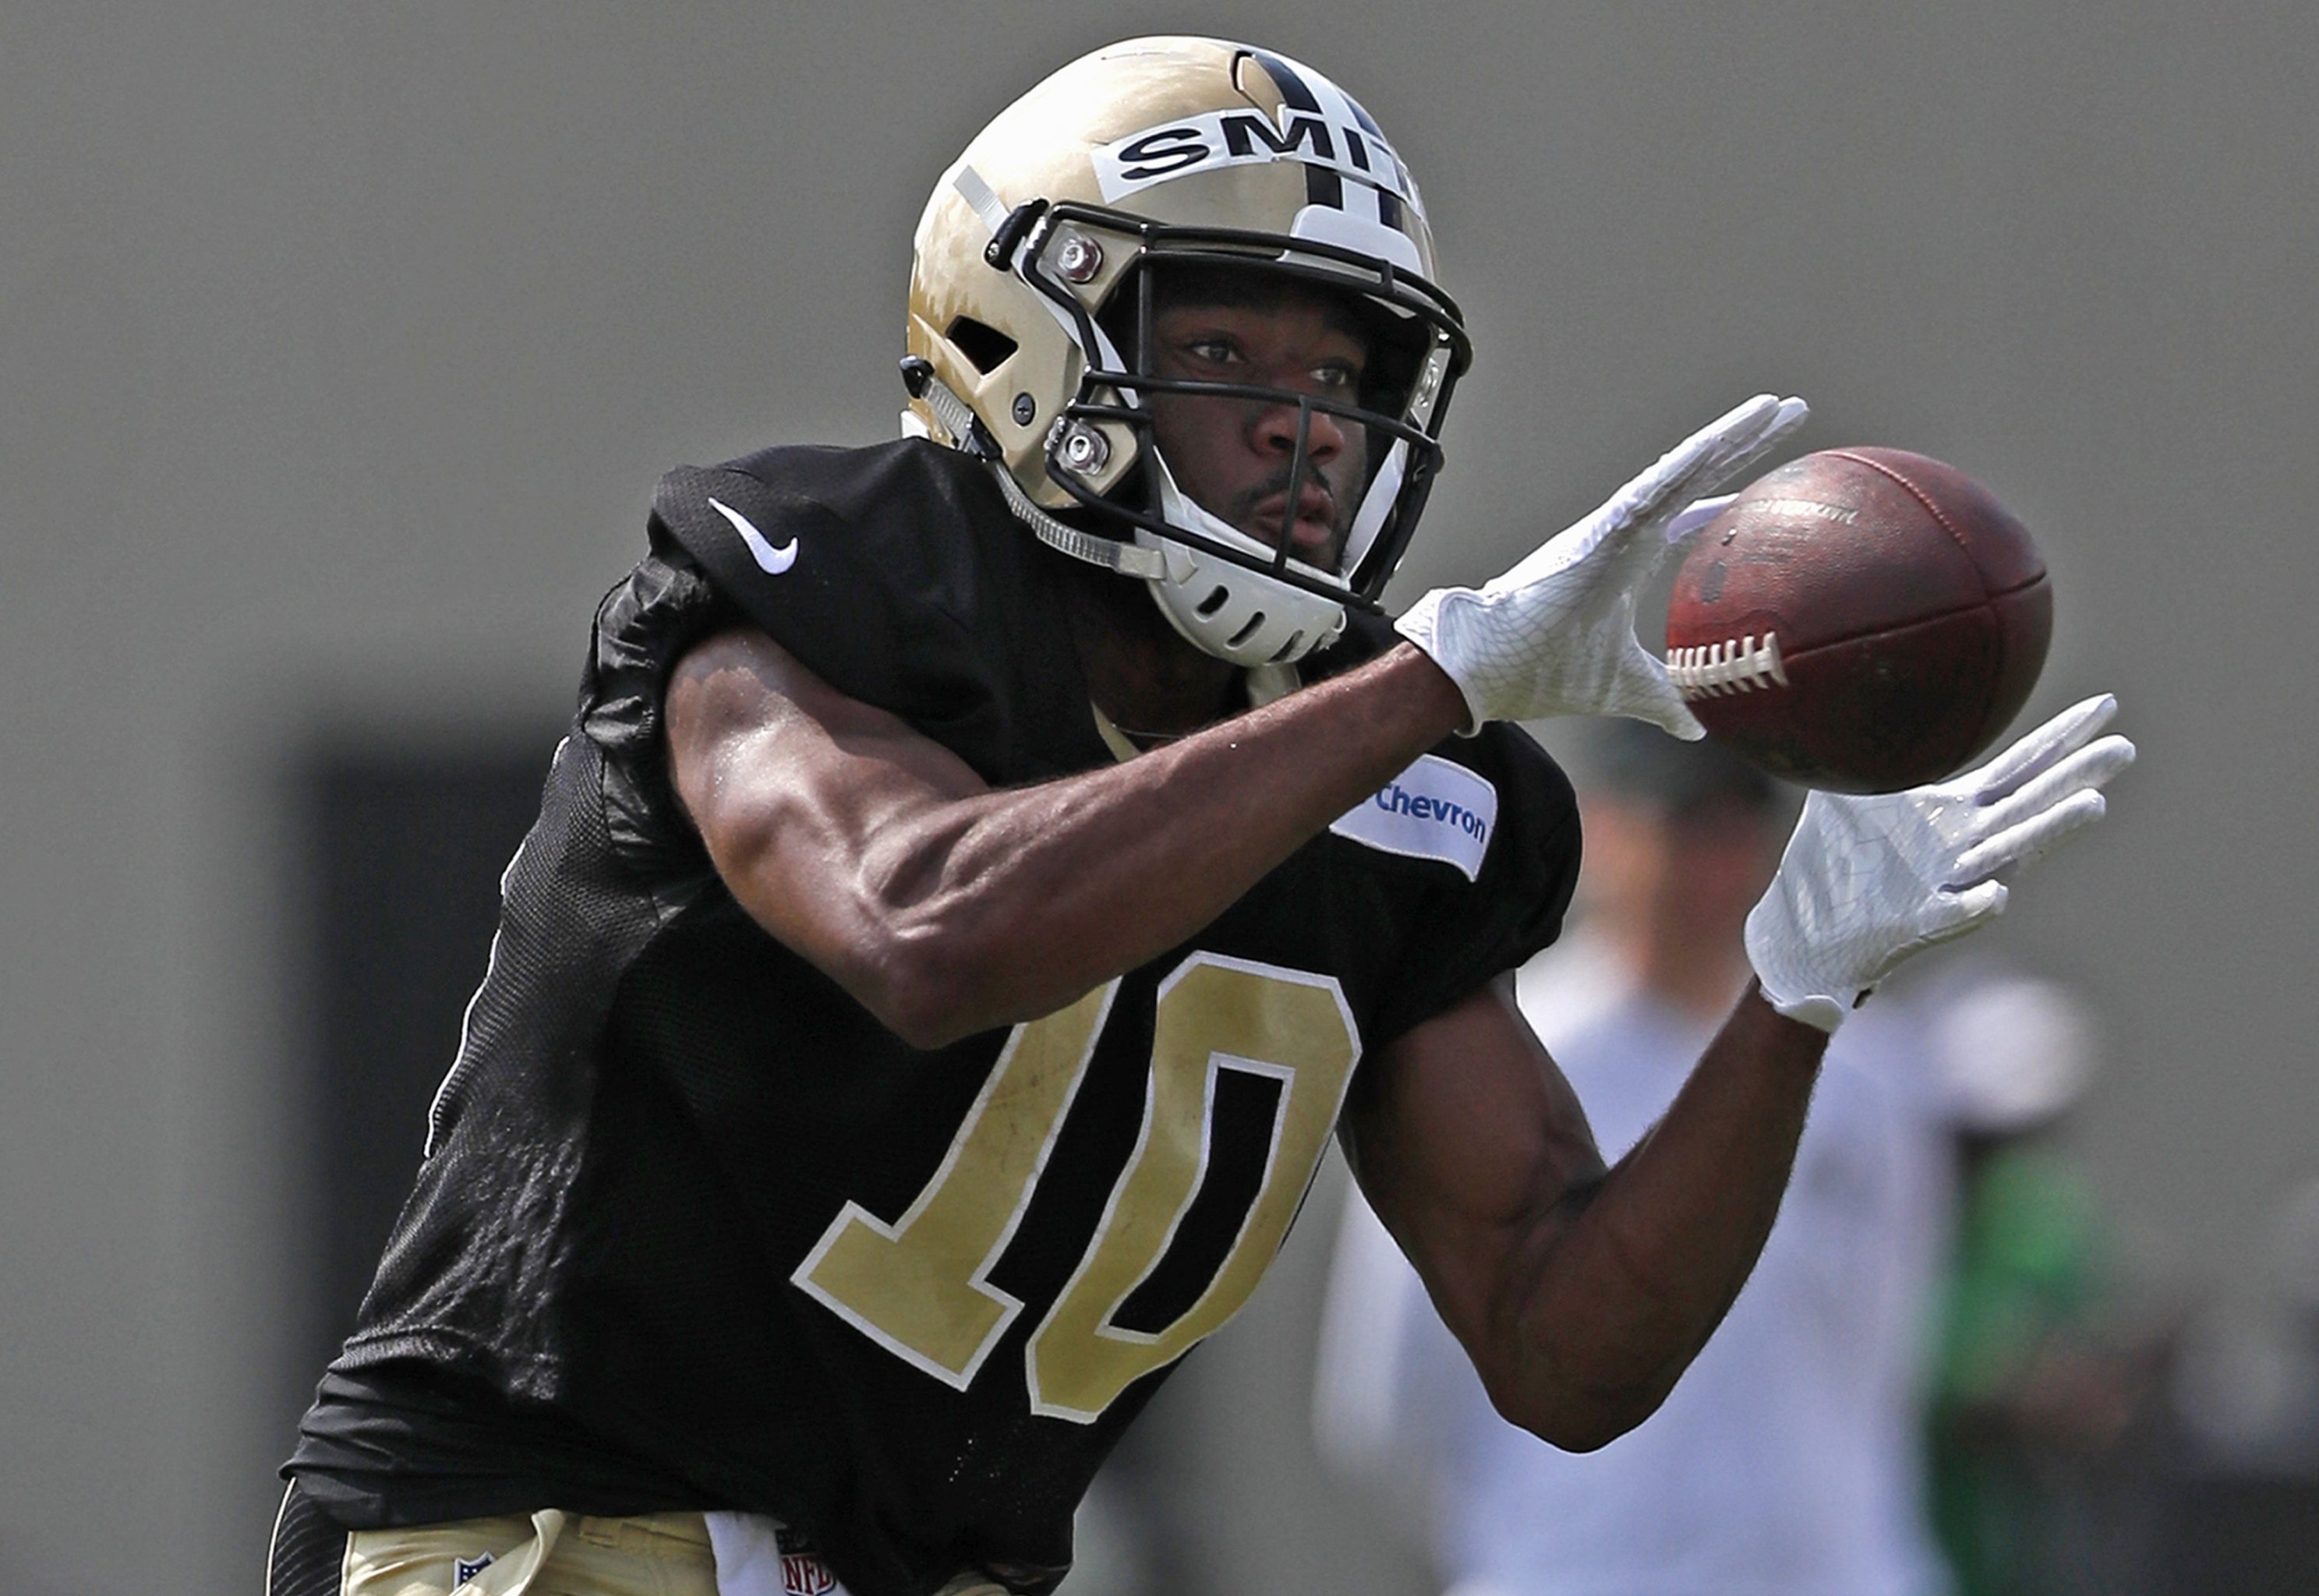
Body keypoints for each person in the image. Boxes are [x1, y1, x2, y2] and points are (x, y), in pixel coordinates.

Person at [267, 36, 2133, 1596]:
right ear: (1022, 336)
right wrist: (1423, 686)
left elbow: (1563, 1335)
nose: (1307, 433)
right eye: (1233, 356)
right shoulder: (821, 592)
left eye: (1344, 376)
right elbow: (925, 927)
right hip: (563, 1537)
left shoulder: (1413, 794)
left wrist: (1788, 1003)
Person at [1315, 726, 2116, 1596]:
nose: (1714, 867)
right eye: (1685, 826)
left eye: (1737, 829)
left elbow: (1893, 1351)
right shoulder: (1498, 1055)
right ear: (1608, 832)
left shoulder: (1870, 1077)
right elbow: (1383, 1406)